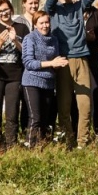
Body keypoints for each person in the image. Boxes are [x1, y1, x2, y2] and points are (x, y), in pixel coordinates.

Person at [44, 0, 98, 149]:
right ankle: (68, 140)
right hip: (63, 61)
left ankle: (82, 142)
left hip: (81, 59)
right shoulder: (53, 10)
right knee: (64, 106)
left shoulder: (78, 6)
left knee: (85, 105)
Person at [0, 0, 29, 147]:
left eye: (6, 9)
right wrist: (0, 42)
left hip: (15, 76)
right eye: (0, 11)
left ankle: (11, 143)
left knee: (12, 112)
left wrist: (15, 40)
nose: (4, 13)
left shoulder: (22, 28)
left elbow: (26, 52)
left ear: (11, 9)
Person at [21, 11, 66, 147]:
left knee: (45, 119)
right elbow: (28, 63)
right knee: (35, 117)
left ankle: (41, 146)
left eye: (47, 22)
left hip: (48, 82)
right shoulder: (30, 38)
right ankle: (30, 145)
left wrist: (58, 64)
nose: (45, 26)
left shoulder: (54, 39)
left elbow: (55, 60)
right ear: (35, 25)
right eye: (41, 23)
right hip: (31, 81)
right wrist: (51, 63)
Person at [76, 0, 98, 141]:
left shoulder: (95, 13)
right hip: (76, 58)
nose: (82, 0)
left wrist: (92, 37)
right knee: (78, 95)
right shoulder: (72, 12)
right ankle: (77, 131)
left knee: (96, 94)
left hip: (93, 56)